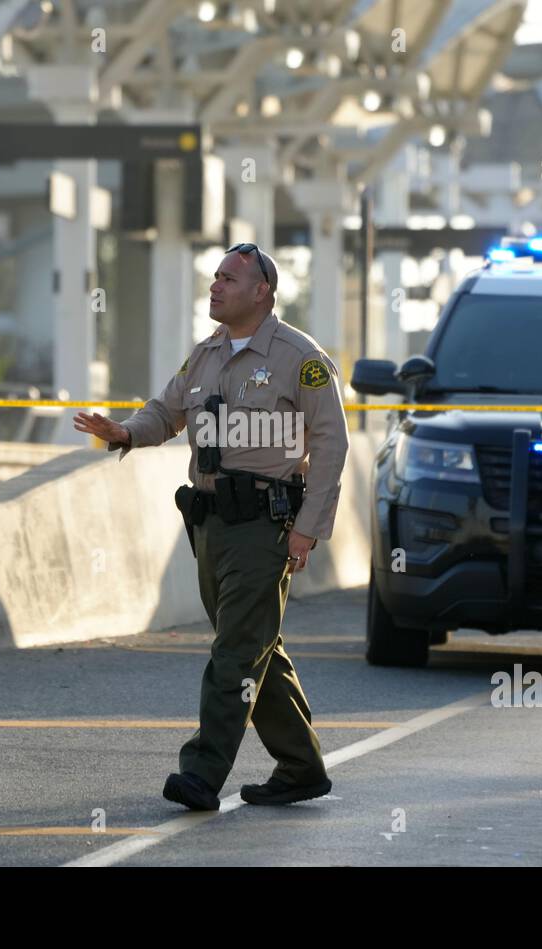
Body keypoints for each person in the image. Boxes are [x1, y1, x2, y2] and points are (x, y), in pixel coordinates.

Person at [73, 242, 349, 810]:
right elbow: (168, 411)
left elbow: (331, 444)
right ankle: (301, 767)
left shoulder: (302, 357)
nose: (215, 286)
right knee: (254, 650)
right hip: (210, 525)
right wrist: (125, 432)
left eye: (228, 278)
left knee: (233, 654)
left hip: (265, 527)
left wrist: (308, 528)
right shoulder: (206, 354)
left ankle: (202, 772)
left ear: (262, 291)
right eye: (215, 277)